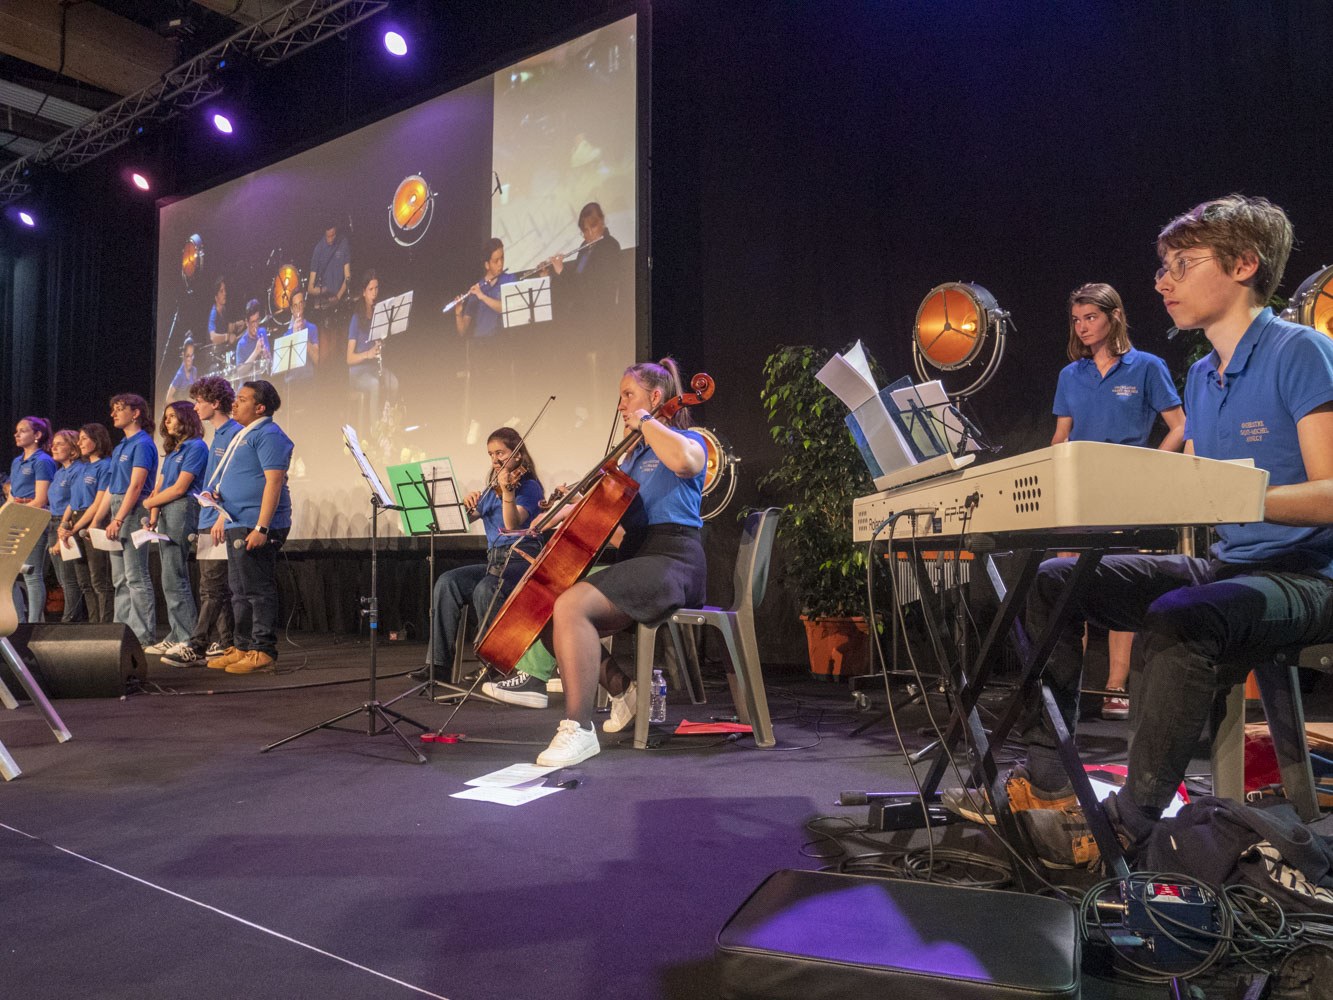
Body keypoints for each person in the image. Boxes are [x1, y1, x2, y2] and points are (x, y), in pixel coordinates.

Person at [948, 195, 1333, 869]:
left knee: (1181, 616)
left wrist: (1236, 496)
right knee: (1054, 581)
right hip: (1232, 567)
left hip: (1306, 577)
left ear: (1244, 264)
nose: (1162, 283)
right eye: (1163, 267)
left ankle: (1124, 826)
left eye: (1182, 265)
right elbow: (1187, 481)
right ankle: (1049, 781)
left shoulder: (1301, 351)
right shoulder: (1202, 375)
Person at [533, 358, 708, 767]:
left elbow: (686, 462)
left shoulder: (687, 439)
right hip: (640, 556)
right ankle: (624, 693)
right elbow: (610, 523)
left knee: (572, 606)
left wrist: (646, 420)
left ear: (656, 397)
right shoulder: (631, 459)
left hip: (674, 559)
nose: (621, 405)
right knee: (545, 615)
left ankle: (578, 729)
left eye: (628, 395)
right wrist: (568, 513)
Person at [1051, 282, 1186, 720]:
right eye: (1077, 319)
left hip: (1125, 491)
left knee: (1116, 584)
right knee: (1068, 583)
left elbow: (1180, 425)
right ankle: (1065, 691)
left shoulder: (1146, 366)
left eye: (1091, 317)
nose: (1083, 326)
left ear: (1114, 317)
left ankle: (1115, 687)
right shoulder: (1071, 375)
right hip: (1079, 492)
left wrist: (1150, 465)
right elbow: (1061, 435)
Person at [415, 429, 544, 695]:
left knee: (487, 588)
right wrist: (465, 504)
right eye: (490, 454)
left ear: (517, 455)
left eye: (500, 453)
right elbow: (461, 520)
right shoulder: (492, 487)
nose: (495, 460)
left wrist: (507, 491)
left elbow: (512, 524)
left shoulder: (529, 487)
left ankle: (494, 664)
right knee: (448, 582)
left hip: (521, 560)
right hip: (494, 561)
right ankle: (438, 665)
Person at [204, 380, 293, 675]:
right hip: (236, 521)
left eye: (242, 399)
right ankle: (242, 647)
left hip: (256, 525)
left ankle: (263, 650)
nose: (235, 403)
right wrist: (219, 497)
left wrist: (262, 528)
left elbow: (274, 482)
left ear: (260, 407)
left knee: (257, 590)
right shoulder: (244, 434)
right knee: (239, 590)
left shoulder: (269, 434)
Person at [162, 377, 240, 668]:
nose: (195, 407)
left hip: (220, 519)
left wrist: (221, 515)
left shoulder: (234, 433)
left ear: (215, 403)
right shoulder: (218, 435)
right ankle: (226, 643)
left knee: (213, 587)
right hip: (207, 517)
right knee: (213, 587)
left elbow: (235, 479)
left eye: (199, 401)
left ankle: (197, 645)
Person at [142, 402, 209, 656]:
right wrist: (152, 515)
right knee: (168, 576)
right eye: (166, 417)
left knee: (174, 575)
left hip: (182, 508)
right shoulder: (173, 451)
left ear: (187, 418)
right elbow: (159, 487)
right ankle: (176, 633)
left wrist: (148, 503)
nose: (167, 421)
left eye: (172, 416)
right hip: (166, 510)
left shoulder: (196, 447)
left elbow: (180, 488)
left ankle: (188, 636)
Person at [98, 394, 159, 646]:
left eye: (119, 409)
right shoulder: (121, 446)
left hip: (133, 510)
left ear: (136, 413)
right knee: (119, 578)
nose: (113, 414)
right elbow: (112, 488)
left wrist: (119, 519)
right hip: (118, 508)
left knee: (136, 575)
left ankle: (142, 636)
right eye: (112, 409)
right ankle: (120, 633)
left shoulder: (142, 443)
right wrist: (99, 520)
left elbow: (136, 486)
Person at [61, 423, 115, 624]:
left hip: (93, 522)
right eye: (79, 439)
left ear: (97, 439)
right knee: (84, 582)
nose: (79, 443)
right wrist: (64, 524)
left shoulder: (106, 466)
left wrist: (77, 528)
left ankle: (105, 626)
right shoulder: (83, 468)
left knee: (99, 580)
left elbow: (98, 503)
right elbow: (72, 501)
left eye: (84, 438)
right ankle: (93, 625)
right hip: (76, 522)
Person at [7, 417, 56, 622]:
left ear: (37, 435)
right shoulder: (17, 462)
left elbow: (41, 499)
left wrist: (18, 509)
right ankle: (17, 622)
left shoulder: (43, 461)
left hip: (33, 519)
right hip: (16, 520)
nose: (17, 434)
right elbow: (12, 497)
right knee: (8, 574)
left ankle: (34, 623)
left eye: (23, 430)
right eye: (16, 430)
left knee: (31, 574)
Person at [544, 202, 622, 326]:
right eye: (585, 230)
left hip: (599, 317)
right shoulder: (585, 247)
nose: (590, 234)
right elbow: (576, 277)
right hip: (581, 314)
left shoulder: (610, 246)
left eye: (593, 227)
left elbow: (590, 286)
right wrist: (551, 272)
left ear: (602, 221)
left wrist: (562, 271)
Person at [46, 429, 87, 623]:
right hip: (53, 523)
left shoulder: (78, 470)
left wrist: (65, 528)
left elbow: (76, 501)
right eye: (53, 444)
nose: (53, 447)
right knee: (62, 578)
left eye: (60, 444)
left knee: (70, 578)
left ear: (73, 449)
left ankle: (71, 619)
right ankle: (72, 616)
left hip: (67, 523)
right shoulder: (59, 472)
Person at [346, 270, 399, 418]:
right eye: (370, 289)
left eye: (376, 288)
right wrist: (368, 354)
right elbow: (349, 358)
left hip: (374, 368)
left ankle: (388, 422)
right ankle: (375, 428)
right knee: (374, 384)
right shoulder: (356, 318)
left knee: (394, 383)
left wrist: (381, 343)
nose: (374, 293)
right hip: (358, 373)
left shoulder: (380, 315)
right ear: (364, 292)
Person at [455, 238, 515, 339]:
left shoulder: (510, 279)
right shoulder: (477, 288)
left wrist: (482, 296)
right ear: (487, 265)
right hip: (481, 343)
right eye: (496, 261)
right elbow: (462, 331)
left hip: (504, 341)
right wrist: (458, 313)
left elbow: (507, 308)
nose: (500, 264)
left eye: (502, 258)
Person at [307, 221, 351, 313]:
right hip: (324, 302)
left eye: (333, 235)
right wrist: (324, 290)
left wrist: (338, 297)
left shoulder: (343, 243)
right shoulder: (318, 249)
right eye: (328, 236)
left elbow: (348, 276)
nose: (330, 239)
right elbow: (310, 289)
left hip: (340, 298)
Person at [236, 299, 272, 375]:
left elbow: (270, 362)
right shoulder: (241, 344)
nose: (256, 325)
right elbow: (239, 372)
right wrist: (256, 352)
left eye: (257, 320)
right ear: (247, 322)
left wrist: (267, 356)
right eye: (252, 322)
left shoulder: (262, 332)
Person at [207, 278, 244, 350]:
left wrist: (236, 325)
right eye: (221, 291)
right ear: (216, 297)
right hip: (214, 352)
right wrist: (228, 337)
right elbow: (213, 337)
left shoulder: (223, 309)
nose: (225, 293)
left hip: (222, 349)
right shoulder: (213, 313)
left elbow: (226, 327)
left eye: (224, 290)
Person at [165, 339, 199, 405]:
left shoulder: (194, 370)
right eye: (187, 356)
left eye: (192, 356)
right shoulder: (180, 375)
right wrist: (182, 407)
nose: (190, 359)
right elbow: (168, 399)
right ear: (183, 355)